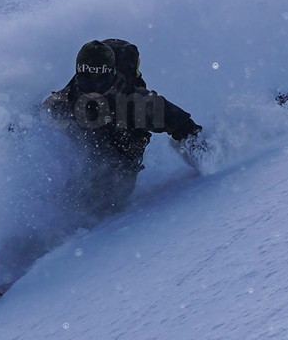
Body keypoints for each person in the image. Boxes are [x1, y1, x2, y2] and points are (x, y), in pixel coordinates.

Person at [42, 39, 204, 216]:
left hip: (121, 157)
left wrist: (201, 154)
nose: (93, 89)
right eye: (86, 78)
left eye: (100, 80)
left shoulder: (137, 104)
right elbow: (38, 119)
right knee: (63, 199)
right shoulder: (65, 100)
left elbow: (182, 125)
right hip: (88, 151)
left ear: (110, 77)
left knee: (105, 201)